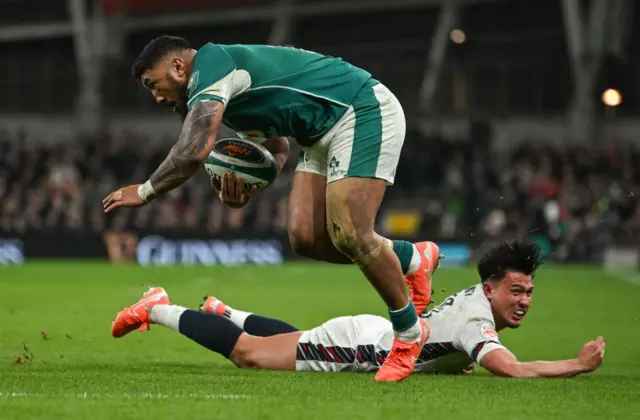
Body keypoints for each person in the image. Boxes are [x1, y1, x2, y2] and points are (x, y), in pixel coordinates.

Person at [102, 35, 439, 381]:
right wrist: (249, 186)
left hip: (360, 109)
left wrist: (144, 192)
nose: (156, 96)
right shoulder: (226, 92)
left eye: (152, 84)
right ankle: (412, 258)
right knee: (306, 237)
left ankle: (409, 336)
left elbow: (193, 149)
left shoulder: (212, 66)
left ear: (176, 67)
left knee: (351, 232)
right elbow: (277, 147)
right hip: (319, 132)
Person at [110, 241, 606, 378]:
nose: (524, 301)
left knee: (298, 338)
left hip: (375, 334)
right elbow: (512, 370)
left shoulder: (478, 306)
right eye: (516, 291)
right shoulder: (478, 321)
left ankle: (227, 310)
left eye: (529, 293)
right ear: (490, 288)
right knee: (251, 356)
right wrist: (576, 364)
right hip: (366, 346)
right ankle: (157, 308)